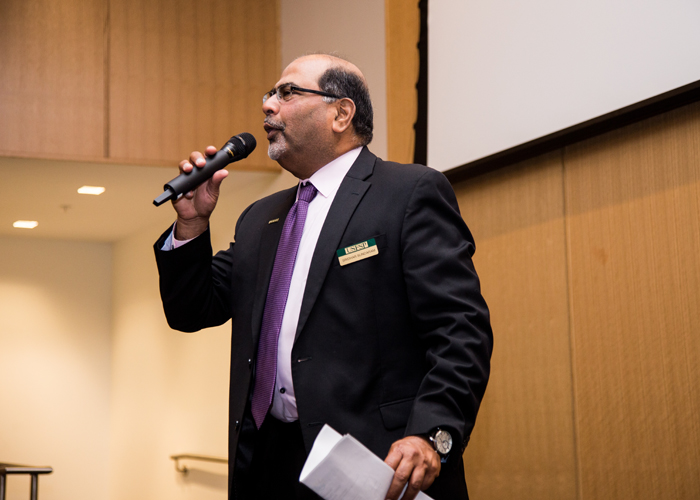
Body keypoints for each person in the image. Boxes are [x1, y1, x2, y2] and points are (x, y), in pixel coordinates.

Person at [154, 54, 492, 500]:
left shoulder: (407, 193)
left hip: (374, 463)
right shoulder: (260, 218)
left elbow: (460, 331)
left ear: (341, 113)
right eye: (270, 95)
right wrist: (192, 225)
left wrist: (432, 434)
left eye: (287, 92)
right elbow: (192, 310)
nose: (269, 106)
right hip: (267, 462)